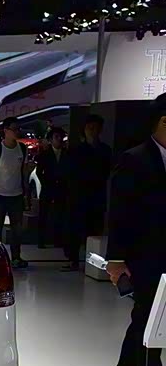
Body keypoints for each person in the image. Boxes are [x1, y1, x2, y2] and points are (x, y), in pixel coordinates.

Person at [105, 94, 166, 366]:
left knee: (145, 319)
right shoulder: (134, 160)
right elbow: (119, 214)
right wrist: (115, 260)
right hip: (144, 257)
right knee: (149, 321)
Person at [62, 114, 112, 271]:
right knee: (75, 229)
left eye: (95, 128)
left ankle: (93, 263)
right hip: (78, 196)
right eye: (90, 127)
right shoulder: (76, 150)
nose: (92, 131)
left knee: (94, 230)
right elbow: (70, 173)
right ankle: (73, 260)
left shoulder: (105, 150)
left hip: (96, 196)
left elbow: (107, 171)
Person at [0, 116, 29, 269]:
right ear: (6, 131)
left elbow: (24, 172)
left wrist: (26, 193)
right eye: (14, 129)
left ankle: (16, 257)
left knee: (17, 230)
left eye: (18, 129)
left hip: (17, 195)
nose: (17, 132)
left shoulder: (22, 149)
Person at [35, 126, 69, 248]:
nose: (59, 139)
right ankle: (41, 240)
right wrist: (46, 183)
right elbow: (39, 172)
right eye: (56, 137)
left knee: (60, 214)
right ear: (51, 140)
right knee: (44, 214)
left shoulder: (67, 153)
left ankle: (57, 240)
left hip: (61, 188)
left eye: (61, 137)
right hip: (48, 188)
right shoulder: (45, 154)